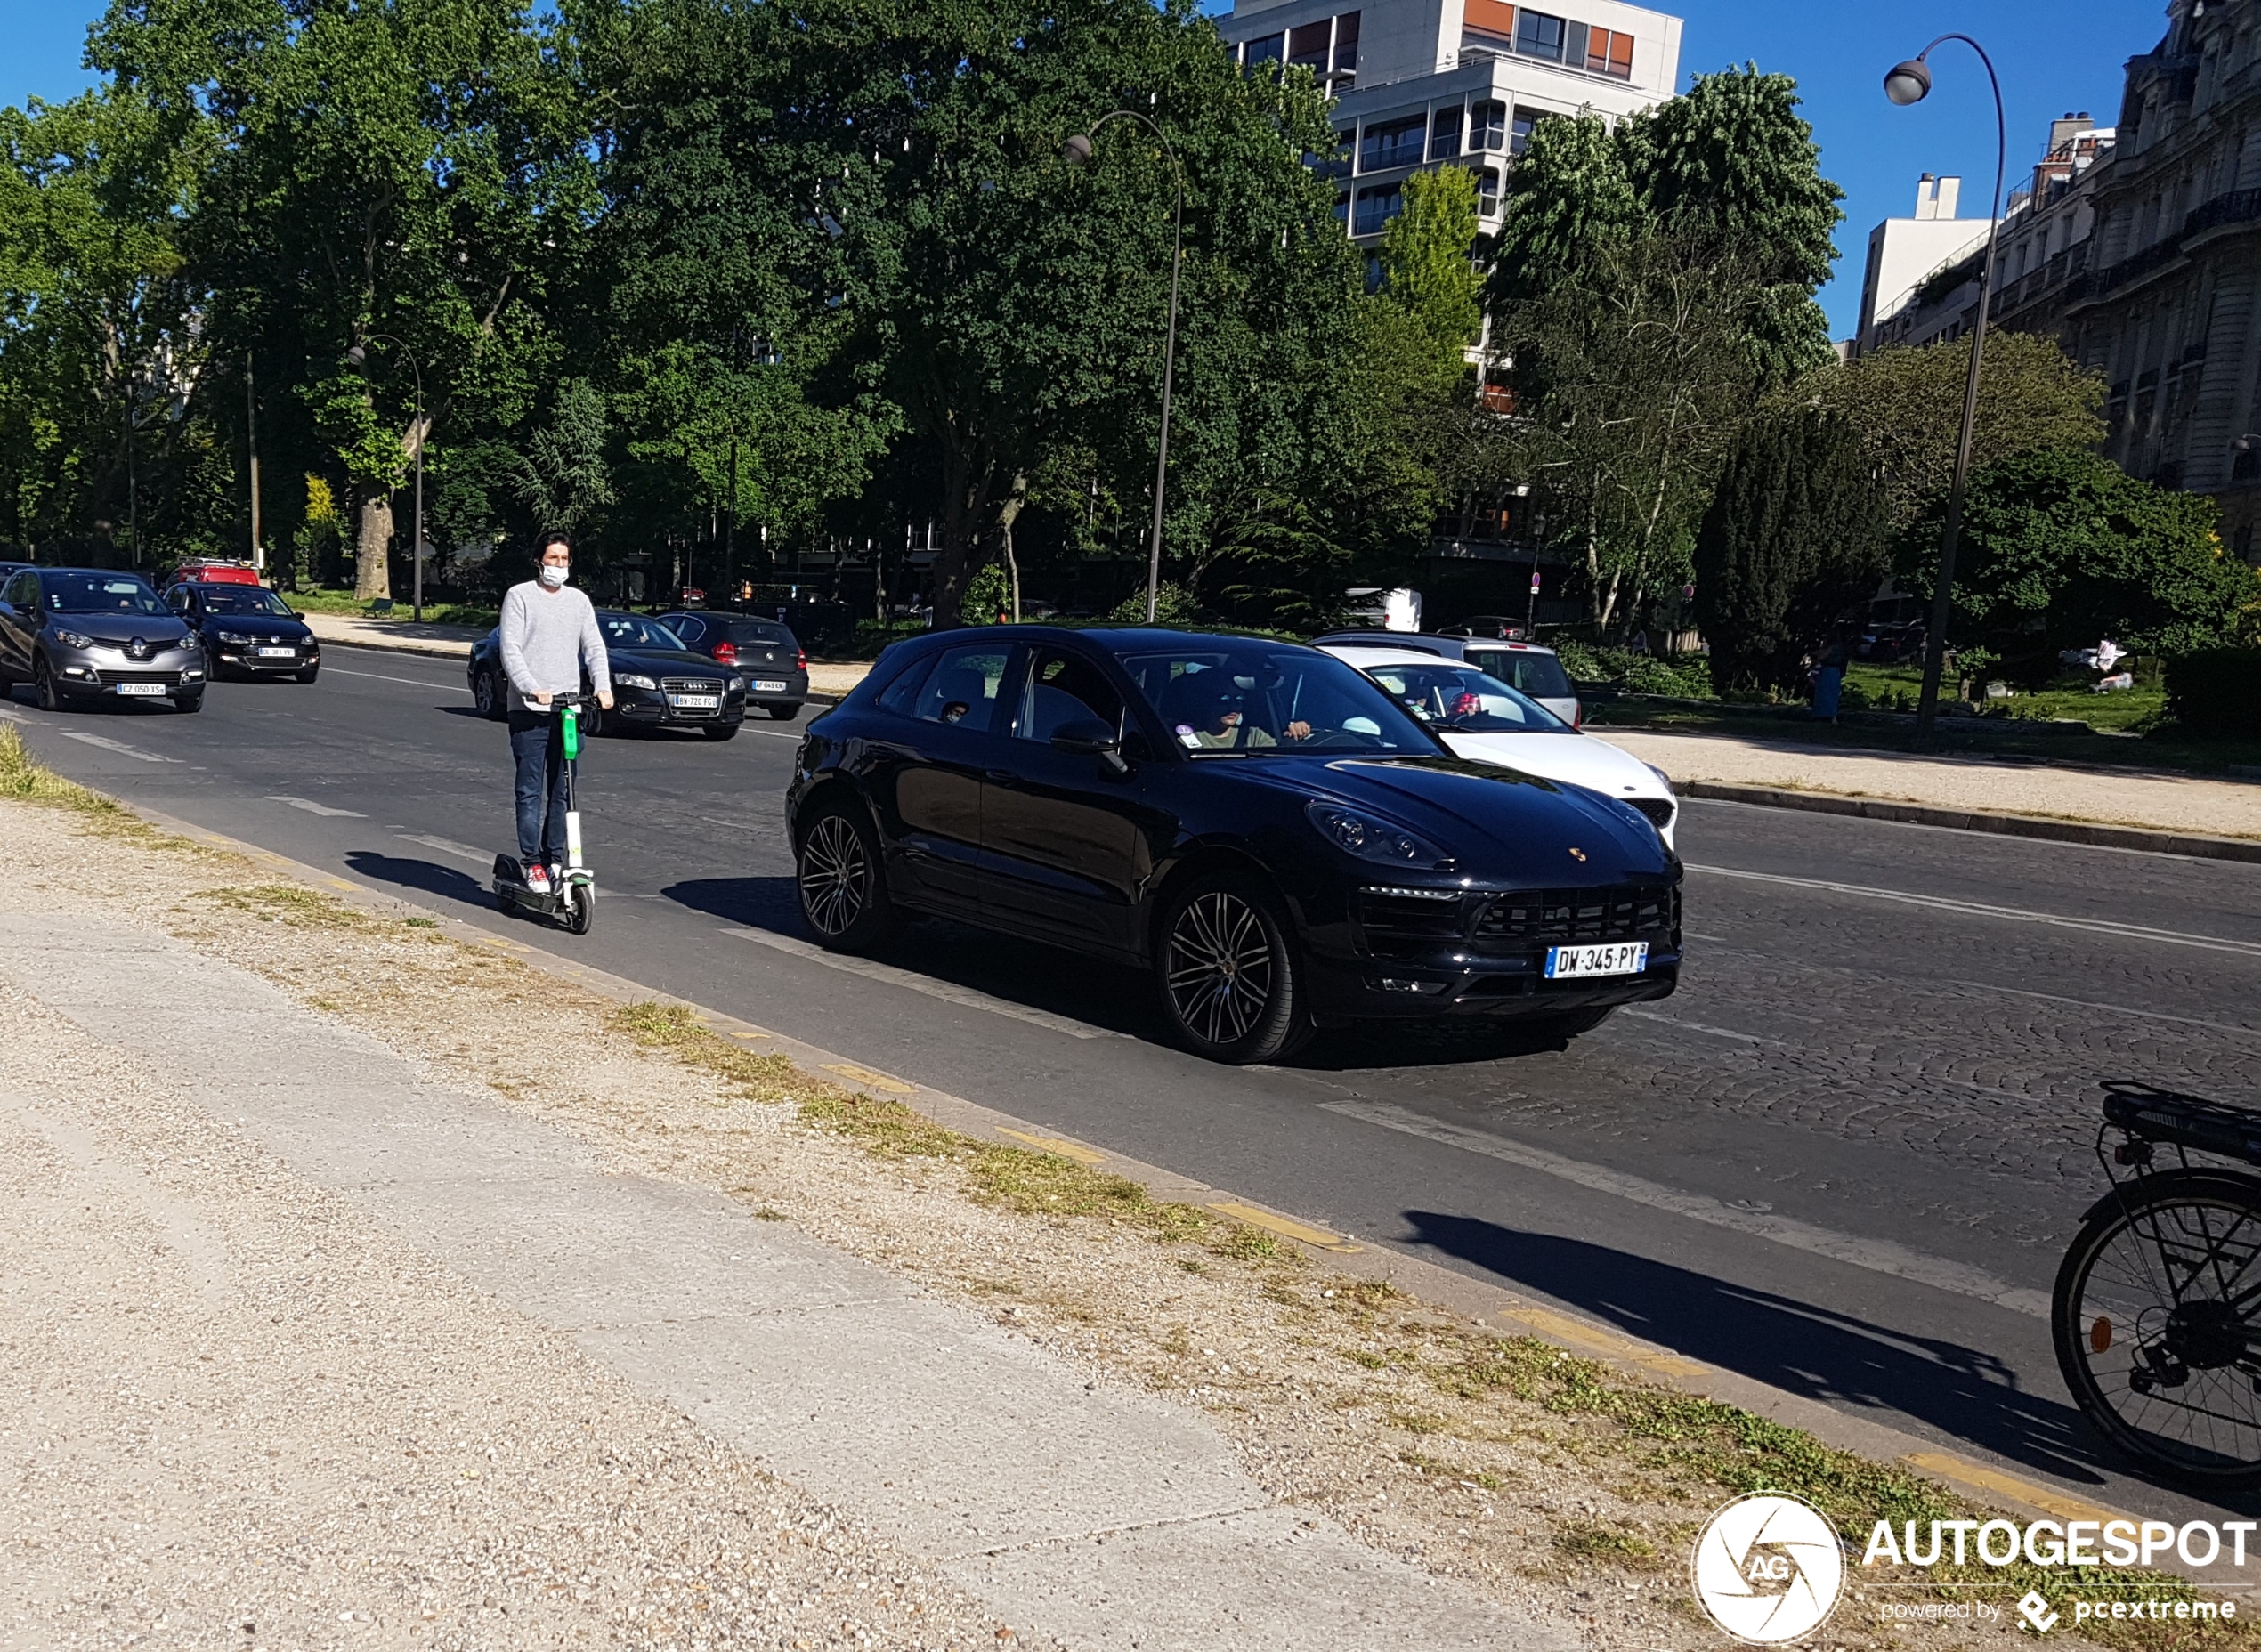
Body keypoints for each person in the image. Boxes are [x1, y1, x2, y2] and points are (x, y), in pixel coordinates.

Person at [498, 535, 612, 895]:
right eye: (553, 558)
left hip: (567, 711)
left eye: (565, 559)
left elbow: (594, 647)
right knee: (530, 789)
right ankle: (532, 861)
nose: (559, 565)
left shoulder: (578, 601)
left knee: (564, 789)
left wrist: (602, 686)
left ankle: (557, 858)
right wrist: (531, 687)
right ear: (538, 561)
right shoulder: (520, 597)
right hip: (530, 709)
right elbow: (511, 649)